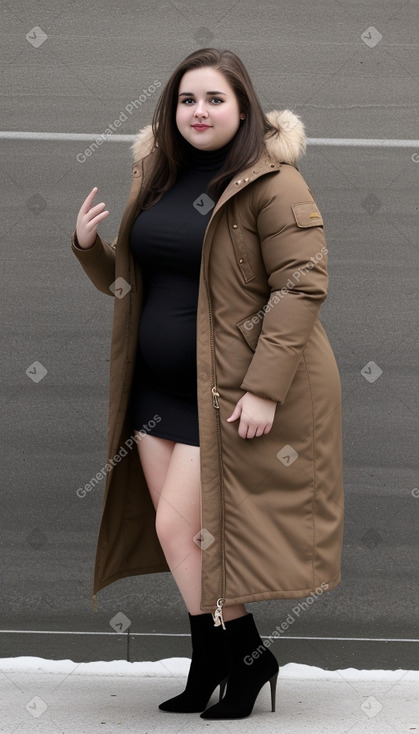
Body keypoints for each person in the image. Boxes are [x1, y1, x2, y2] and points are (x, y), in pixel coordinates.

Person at [72, 47, 344, 720]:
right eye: (187, 99)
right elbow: (134, 284)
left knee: (183, 525)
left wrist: (264, 388)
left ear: (243, 108)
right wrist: (90, 249)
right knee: (182, 538)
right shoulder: (155, 174)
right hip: (155, 389)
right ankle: (213, 664)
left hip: (222, 389)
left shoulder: (272, 183)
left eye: (214, 99)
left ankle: (246, 660)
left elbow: (301, 284)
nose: (199, 111)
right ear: (171, 110)